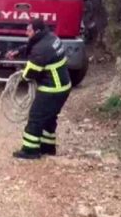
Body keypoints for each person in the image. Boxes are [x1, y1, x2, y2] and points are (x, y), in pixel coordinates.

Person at [6, 18, 72, 159]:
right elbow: (33, 47)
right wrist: (18, 51)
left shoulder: (41, 50)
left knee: (36, 117)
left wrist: (20, 72)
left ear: (36, 31)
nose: (26, 33)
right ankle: (48, 147)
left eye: (28, 30)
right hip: (63, 86)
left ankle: (30, 150)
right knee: (49, 117)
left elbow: (30, 74)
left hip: (52, 89)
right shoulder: (51, 37)